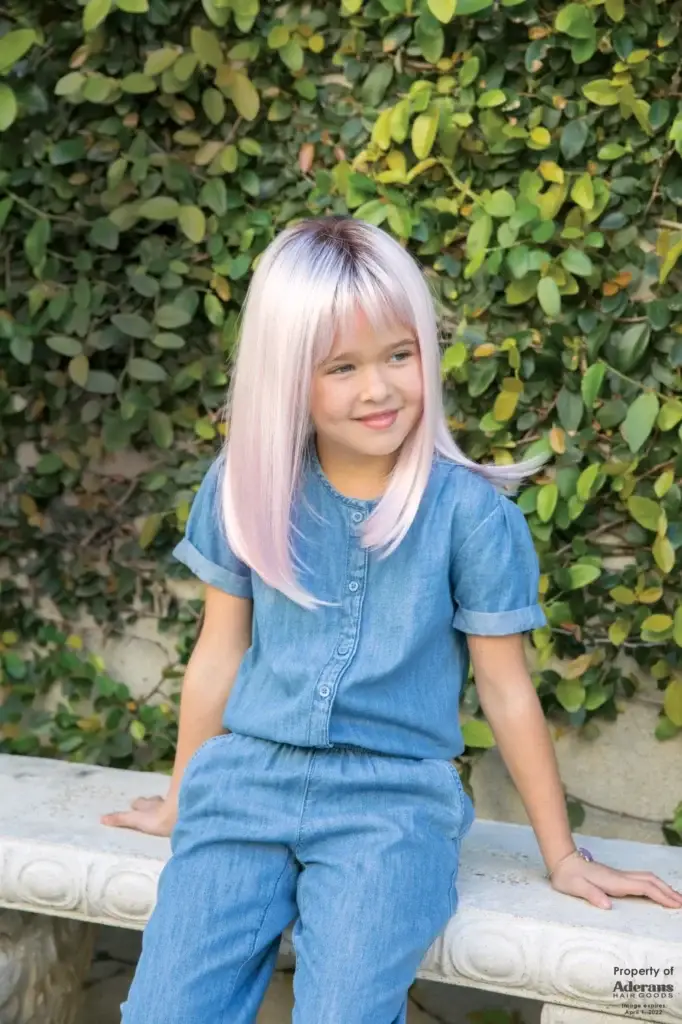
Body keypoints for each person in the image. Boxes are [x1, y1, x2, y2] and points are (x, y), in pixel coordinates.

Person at [102, 217, 681, 1024]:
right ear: (287, 376)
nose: (378, 390)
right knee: (164, 1010)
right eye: (341, 367)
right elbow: (217, 654)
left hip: (392, 805)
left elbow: (507, 692)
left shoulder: (471, 514)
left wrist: (564, 855)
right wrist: (179, 797)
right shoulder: (242, 484)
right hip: (243, 787)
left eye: (399, 355)